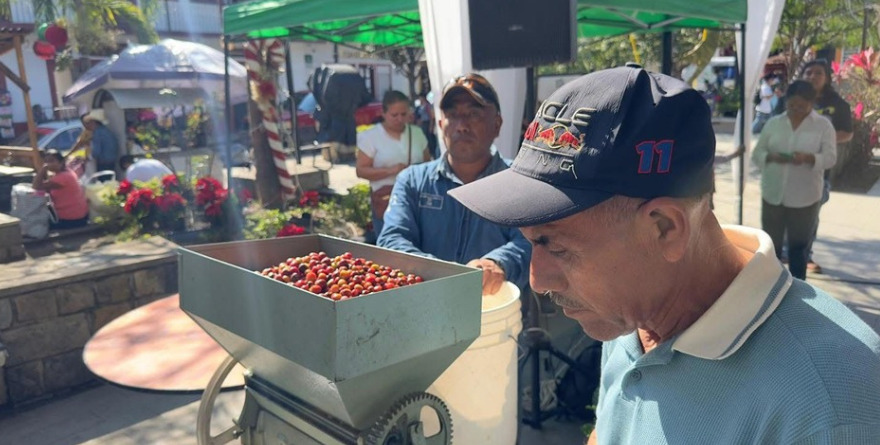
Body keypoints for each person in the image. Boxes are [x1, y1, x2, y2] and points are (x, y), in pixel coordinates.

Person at [449, 65, 880, 443]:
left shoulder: (834, 408)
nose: (537, 279)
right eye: (530, 242)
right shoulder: (630, 314)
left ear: (665, 229)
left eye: (555, 246)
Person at [377, 73, 531, 294]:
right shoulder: (412, 181)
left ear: (497, 125)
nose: (461, 126)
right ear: (441, 125)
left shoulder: (521, 182)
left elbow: (532, 242)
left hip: (497, 314)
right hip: (427, 311)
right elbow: (392, 239)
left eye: (473, 114)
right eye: (452, 115)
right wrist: (445, 275)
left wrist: (498, 264)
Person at [751, 80, 837, 280]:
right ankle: (770, 286)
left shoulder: (823, 126)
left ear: (811, 104)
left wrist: (809, 158)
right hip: (773, 193)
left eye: (801, 106)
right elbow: (758, 153)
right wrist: (772, 157)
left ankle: (798, 288)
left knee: (799, 248)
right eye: (791, 105)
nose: (795, 110)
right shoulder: (774, 123)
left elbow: (831, 158)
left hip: (804, 197)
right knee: (771, 246)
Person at [801, 59, 853, 274]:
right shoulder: (791, 99)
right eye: (808, 72)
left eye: (818, 73)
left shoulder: (838, 104)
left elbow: (847, 133)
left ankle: (805, 256)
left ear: (827, 78)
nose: (812, 76)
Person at [356, 90, 430, 239]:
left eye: (404, 114)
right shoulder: (371, 136)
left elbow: (428, 165)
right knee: (390, 244)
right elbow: (361, 171)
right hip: (385, 200)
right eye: (394, 115)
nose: (399, 119)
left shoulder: (416, 133)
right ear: (383, 113)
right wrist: (391, 170)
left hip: (416, 200)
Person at [32, 149, 89, 229]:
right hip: (80, 216)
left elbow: (36, 186)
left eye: (52, 161)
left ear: (61, 162)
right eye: (46, 161)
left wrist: (43, 169)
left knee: (37, 223)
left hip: (72, 219)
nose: (48, 164)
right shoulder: (66, 172)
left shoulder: (62, 177)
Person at [83, 109, 119, 174]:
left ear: (94, 122)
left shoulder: (97, 133)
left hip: (104, 162)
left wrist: (88, 158)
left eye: (90, 122)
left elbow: (96, 151)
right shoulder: (105, 130)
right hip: (111, 160)